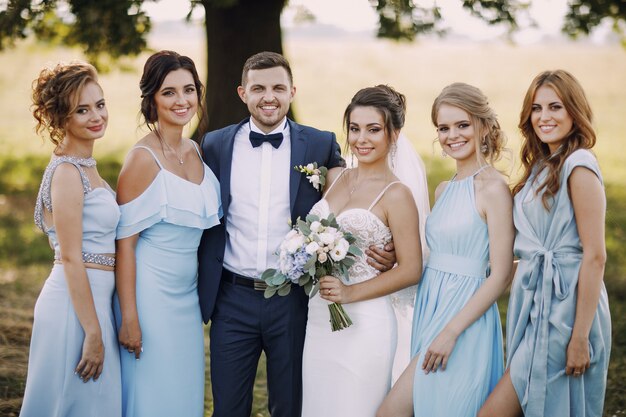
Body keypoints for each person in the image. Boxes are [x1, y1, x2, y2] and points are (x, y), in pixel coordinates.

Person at [198, 51, 395, 417]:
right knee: (227, 406)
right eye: (258, 88)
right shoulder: (215, 145)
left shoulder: (319, 144)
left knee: (290, 405)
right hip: (231, 297)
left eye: (278, 87)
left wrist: (386, 242)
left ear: (293, 92)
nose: (268, 96)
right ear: (243, 93)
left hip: (292, 299)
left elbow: (356, 199)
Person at [479, 70, 611, 417]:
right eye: (537, 108)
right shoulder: (542, 165)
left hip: (567, 311)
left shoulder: (578, 166)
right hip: (537, 302)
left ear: (574, 112)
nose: (544, 117)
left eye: (555, 107)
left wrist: (579, 337)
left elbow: (595, 256)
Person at [378, 82, 515, 417]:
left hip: (464, 319)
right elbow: (437, 254)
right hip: (432, 307)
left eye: (462, 125)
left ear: (483, 126)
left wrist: (451, 331)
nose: (452, 135)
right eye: (444, 127)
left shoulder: (493, 188)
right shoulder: (444, 189)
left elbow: (500, 274)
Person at [301, 85, 423, 417]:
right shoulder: (338, 179)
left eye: (373, 129)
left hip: (366, 322)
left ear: (393, 134)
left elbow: (412, 268)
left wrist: (351, 292)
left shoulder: (398, 194)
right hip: (319, 316)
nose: (361, 139)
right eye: (355, 128)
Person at [114, 50, 221, 417]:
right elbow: (124, 245)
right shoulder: (142, 159)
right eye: (169, 92)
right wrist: (130, 317)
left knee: (183, 392)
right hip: (149, 295)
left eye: (189, 90)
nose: (182, 101)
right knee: (153, 393)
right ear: (152, 100)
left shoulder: (196, 150)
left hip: (187, 298)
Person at [21, 62, 121, 417]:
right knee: (71, 405)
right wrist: (92, 332)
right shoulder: (66, 172)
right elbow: (70, 258)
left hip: (94, 302)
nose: (97, 116)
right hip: (74, 309)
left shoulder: (86, 165)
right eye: (82, 109)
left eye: (99, 104)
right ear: (61, 118)